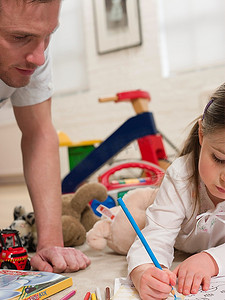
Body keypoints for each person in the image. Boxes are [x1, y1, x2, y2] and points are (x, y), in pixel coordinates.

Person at [0, 0, 90, 273]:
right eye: (20, 37)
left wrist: (50, 243)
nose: (39, 58)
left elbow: (39, 133)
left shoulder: (34, 53)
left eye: (48, 35)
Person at [127, 83, 225, 299]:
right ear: (201, 135)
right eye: (219, 159)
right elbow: (155, 236)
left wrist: (211, 260)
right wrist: (144, 271)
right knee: (124, 229)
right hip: (174, 232)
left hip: (202, 248)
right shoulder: (181, 176)